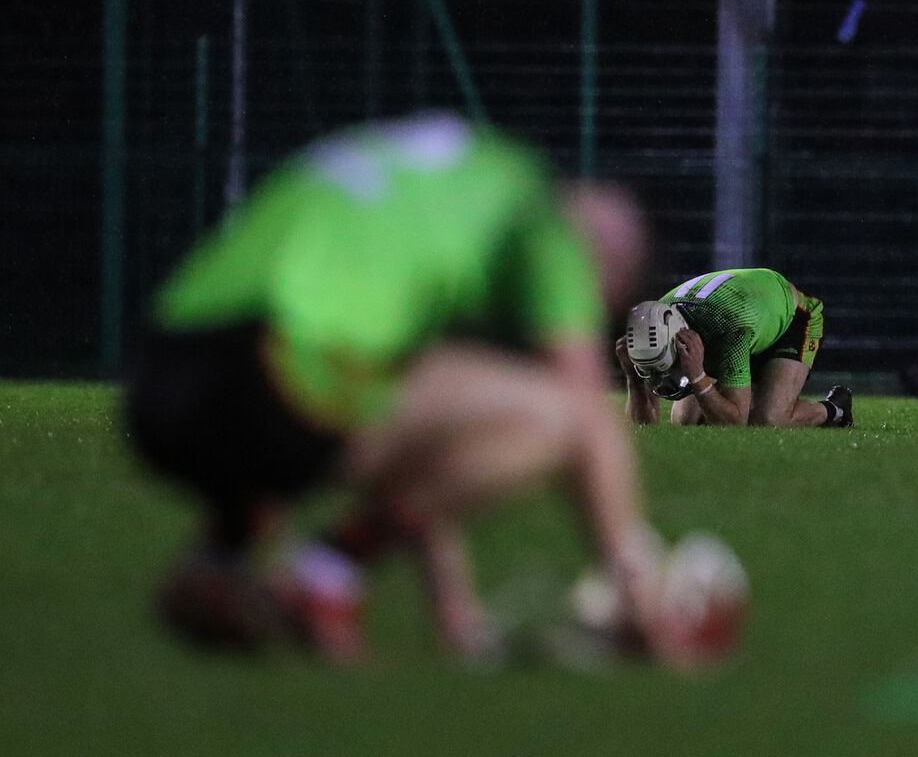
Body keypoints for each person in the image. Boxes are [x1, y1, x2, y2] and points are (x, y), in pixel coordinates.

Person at [124, 111, 683, 667]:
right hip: (277, 373)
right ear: (606, 265)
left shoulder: (443, 173)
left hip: (160, 384)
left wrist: (454, 616)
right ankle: (325, 570)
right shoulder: (543, 216)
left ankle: (221, 562)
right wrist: (638, 585)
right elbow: (584, 412)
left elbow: (422, 448)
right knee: (556, 415)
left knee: (376, 386)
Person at [615, 268, 852, 427]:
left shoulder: (728, 327)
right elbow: (646, 425)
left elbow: (734, 421)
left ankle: (836, 410)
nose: (663, 378)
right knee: (685, 420)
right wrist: (633, 380)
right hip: (746, 312)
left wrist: (697, 376)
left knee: (767, 418)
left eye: (668, 366)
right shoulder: (658, 326)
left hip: (791, 316)